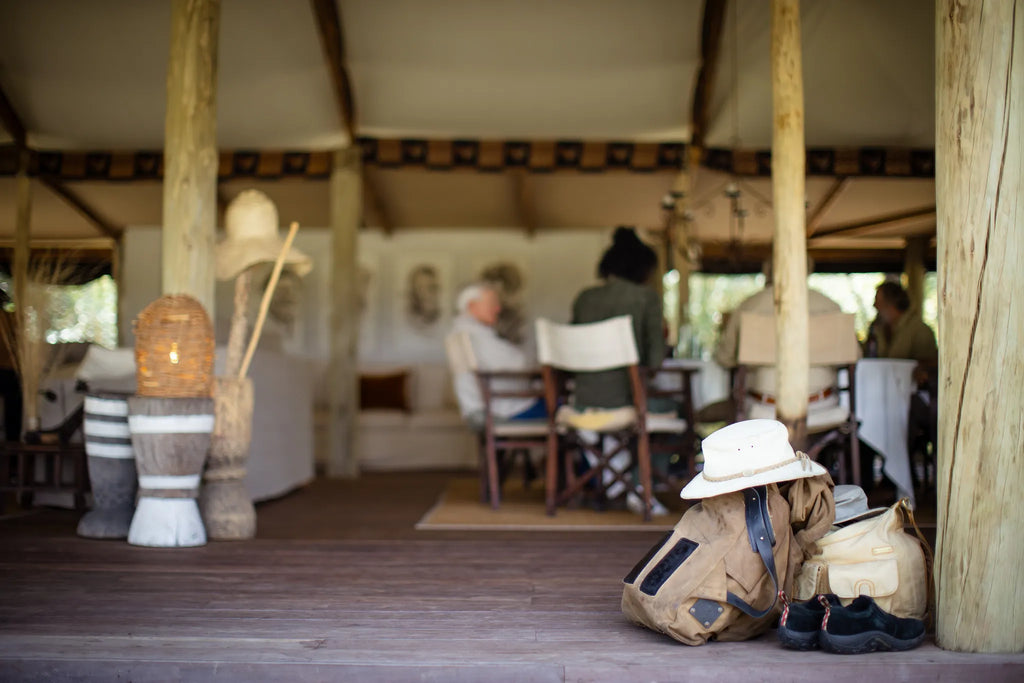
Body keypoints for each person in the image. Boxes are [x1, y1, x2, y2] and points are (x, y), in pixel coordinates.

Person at [570, 226, 668, 516]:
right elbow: (655, 359)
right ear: (642, 268)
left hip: (583, 403)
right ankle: (640, 488)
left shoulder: (584, 298)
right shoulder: (646, 298)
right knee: (674, 411)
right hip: (627, 403)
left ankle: (612, 481)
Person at [710, 258, 848, 427]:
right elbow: (850, 357)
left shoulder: (749, 306)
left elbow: (724, 357)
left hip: (764, 407)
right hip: (823, 405)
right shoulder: (830, 306)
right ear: (808, 271)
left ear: (767, 273)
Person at [450, 283, 545, 422]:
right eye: (492, 303)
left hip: (487, 406)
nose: (498, 308)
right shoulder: (476, 335)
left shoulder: (461, 332)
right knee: (563, 409)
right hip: (505, 409)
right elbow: (520, 364)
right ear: (472, 306)